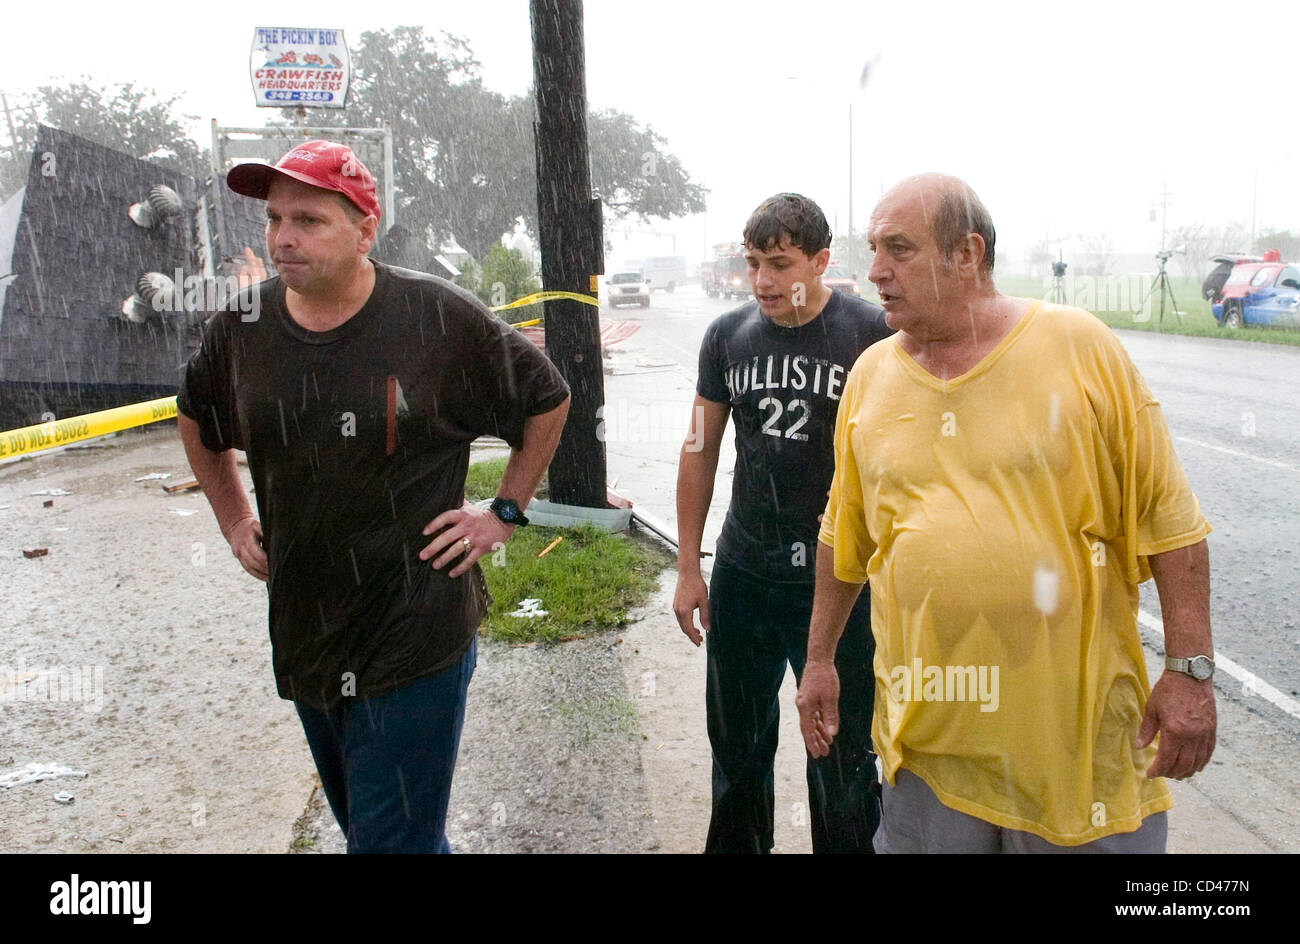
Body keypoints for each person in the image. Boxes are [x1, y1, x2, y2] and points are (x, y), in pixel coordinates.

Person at [798, 172, 1216, 853]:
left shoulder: (1079, 347)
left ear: (967, 255)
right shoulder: (871, 376)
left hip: (1076, 757)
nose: (874, 271)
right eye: (873, 248)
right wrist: (820, 660)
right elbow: (844, 536)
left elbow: (1170, 523)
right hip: (927, 756)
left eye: (898, 249)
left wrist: (1191, 670)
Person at [176, 140, 570, 853]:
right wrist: (235, 518)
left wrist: (505, 511)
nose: (283, 238)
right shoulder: (244, 328)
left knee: (390, 844)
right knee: (378, 829)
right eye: (274, 220)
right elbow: (196, 418)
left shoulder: (436, 317)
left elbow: (547, 397)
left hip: (413, 629)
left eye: (309, 220)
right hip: (306, 631)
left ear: (365, 229)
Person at [673, 193, 892, 853]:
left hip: (839, 585)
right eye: (752, 265)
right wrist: (690, 566)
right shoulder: (728, 336)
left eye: (778, 264)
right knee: (738, 754)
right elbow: (699, 452)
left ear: (822, 260)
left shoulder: (872, 336)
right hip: (745, 575)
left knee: (843, 760)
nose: (763, 281)